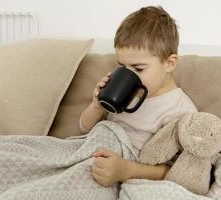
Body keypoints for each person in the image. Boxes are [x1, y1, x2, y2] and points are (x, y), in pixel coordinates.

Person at [79, 6, 197, 187]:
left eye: (139, 69)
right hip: (90, 152)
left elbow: (176, 170)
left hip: (120, 170)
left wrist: (125, 171)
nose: (129, 75)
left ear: (169, 63)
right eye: (123, 67)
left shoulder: (180, 111)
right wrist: (96, 106)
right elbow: (84, 129)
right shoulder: (123, 93)